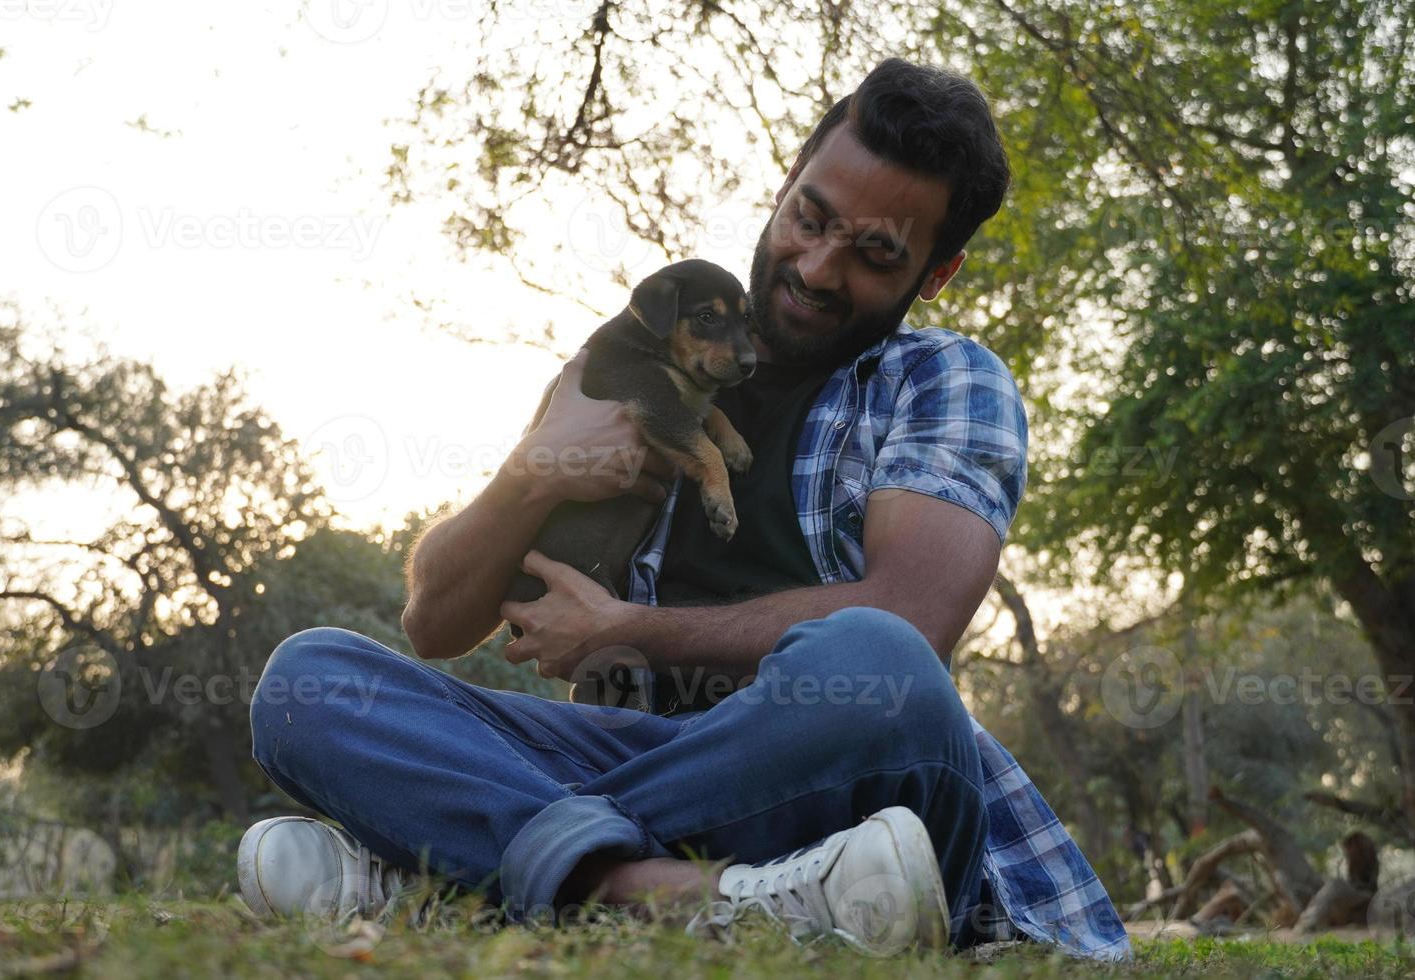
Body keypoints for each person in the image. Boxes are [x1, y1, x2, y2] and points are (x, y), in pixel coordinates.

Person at [237, 58, 1130, 960]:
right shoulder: (628, 369)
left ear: (935, 274)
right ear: (783, 187)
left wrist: (630, 627)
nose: (817, 268)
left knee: (879, 658)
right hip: (631, 758)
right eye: (809, 219)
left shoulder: (946, 379)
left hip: (849, 776)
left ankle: (468, 875)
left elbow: (914, 614)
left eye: (874, 255)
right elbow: (434, 622)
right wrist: (536, 474)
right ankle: (683, 895)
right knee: (307, 680)